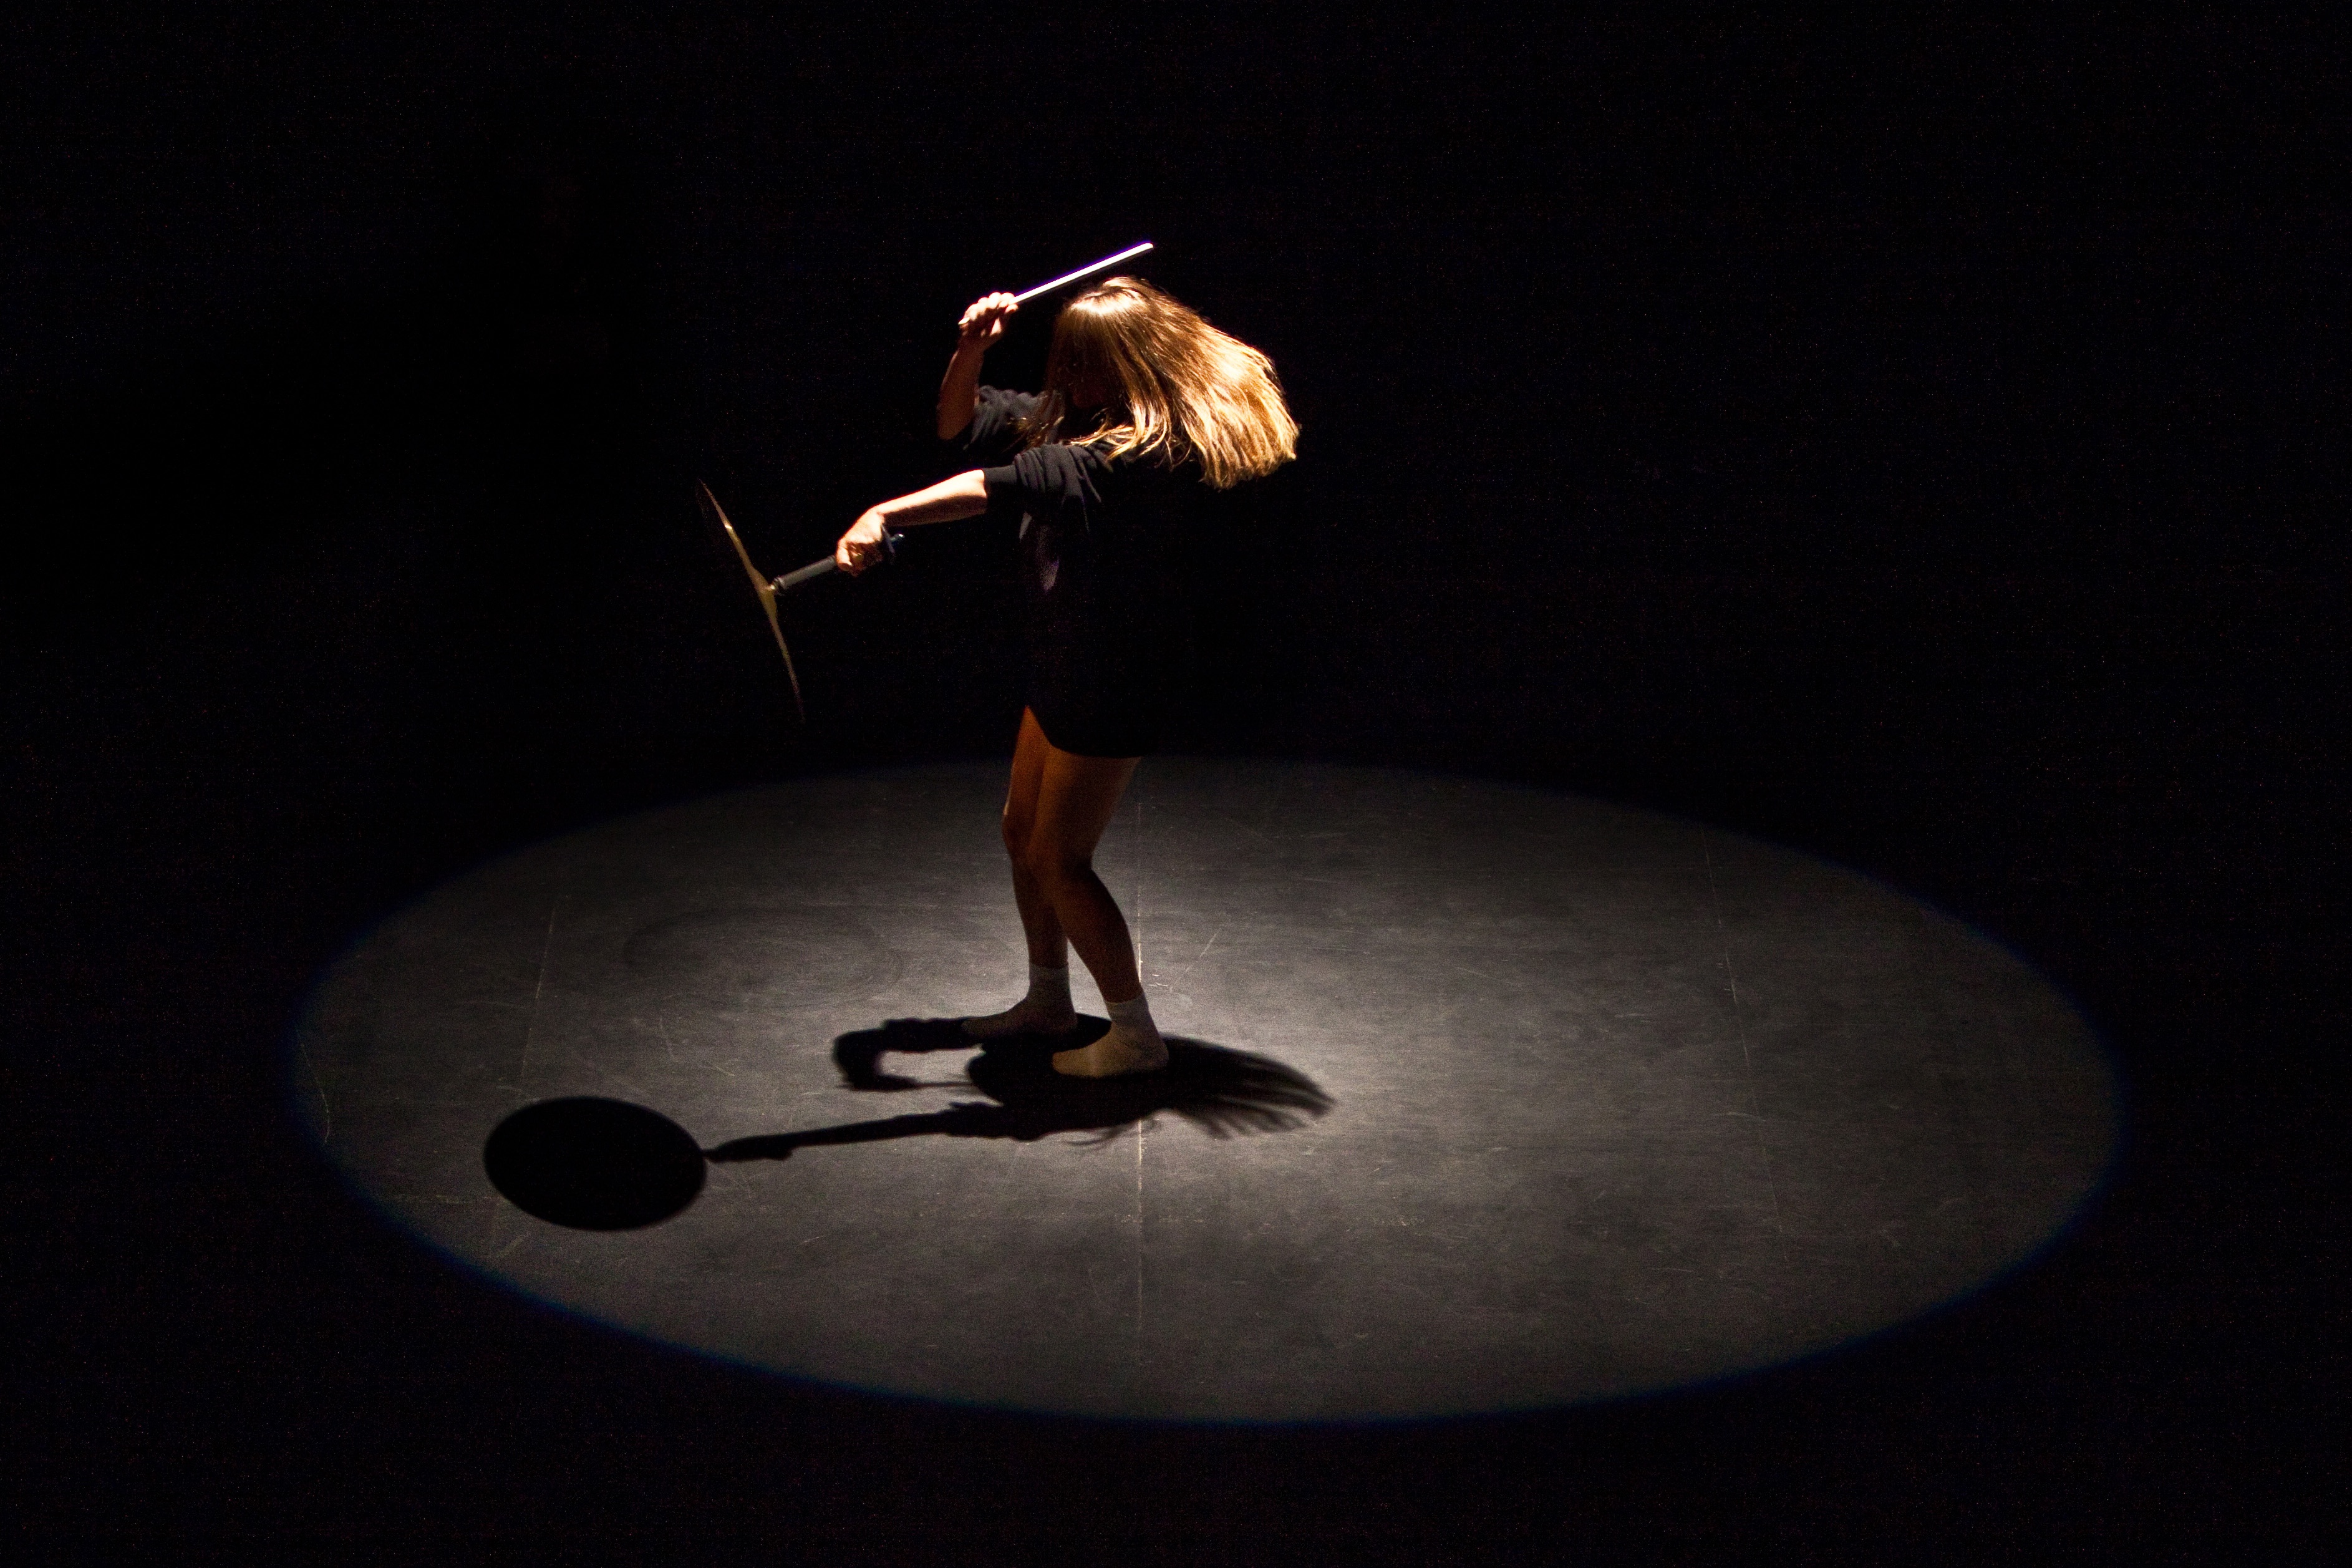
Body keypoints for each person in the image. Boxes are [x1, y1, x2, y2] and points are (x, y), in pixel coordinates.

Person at [834, 276, 1297, 1077]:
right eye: (1066, 361)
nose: (1068, 378)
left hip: (1114, 677)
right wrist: (971, 350)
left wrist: (884, 513)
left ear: (1129, 363)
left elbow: (991, 487)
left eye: (1083, 364)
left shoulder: (1139, 455)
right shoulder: (1084, 417)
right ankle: (1049, 1002)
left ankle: (1136, 1035)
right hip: (1066, 659)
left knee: (1059, 858)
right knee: (1022, 832)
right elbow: (958, 425)